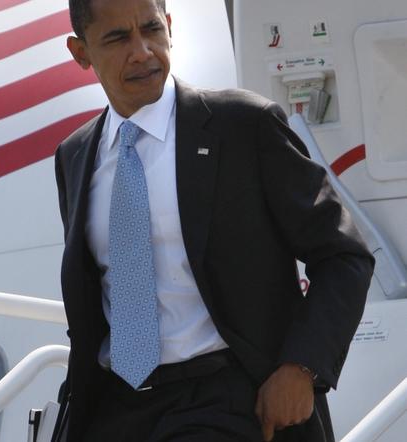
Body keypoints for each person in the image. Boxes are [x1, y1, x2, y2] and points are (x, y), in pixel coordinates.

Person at [52, 0, 374, 440]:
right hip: (116, 407)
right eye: (117, 38)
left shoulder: (243, 125)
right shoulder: (74, 156)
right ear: (80, 52)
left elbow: (343, 254)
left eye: (151, 29)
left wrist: (302, 367)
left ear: (169, 27)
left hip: (225, 397)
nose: (143, 51)